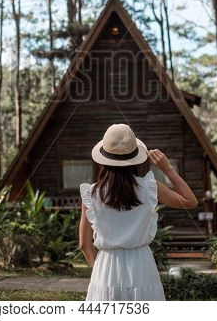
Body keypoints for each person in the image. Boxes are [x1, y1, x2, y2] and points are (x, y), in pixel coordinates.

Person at [79, 123, 198, 301]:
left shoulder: (92, 194)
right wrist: (167, 168)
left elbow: (84, 244)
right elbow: (190, 201)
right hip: (142, 266)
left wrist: (99, 272)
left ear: (103, 159)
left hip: (105, 267)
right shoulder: (151, 188)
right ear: (135, 157)